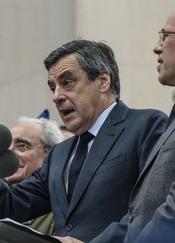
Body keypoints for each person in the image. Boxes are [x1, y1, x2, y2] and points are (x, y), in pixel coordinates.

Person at [0, 39, 167, 241]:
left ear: (102, 81)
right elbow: (8, 205)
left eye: (67, 82)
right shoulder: (60, 154)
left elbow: (152, 208)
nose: (56, 96)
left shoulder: (146, 125)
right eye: (52, 87)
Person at [64, 10, 175, 243]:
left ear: (102, 82)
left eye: (165, 36)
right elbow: (143, 212)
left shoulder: (147, 125)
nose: (157, 47)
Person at [5, 117, 63, 235]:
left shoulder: (60, 209)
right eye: (6, 147)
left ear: (50, 154)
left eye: (22, 145)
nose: (9, 152)